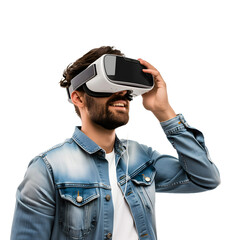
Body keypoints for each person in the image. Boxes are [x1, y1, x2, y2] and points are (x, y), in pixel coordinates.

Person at [10, 46, 220, 240]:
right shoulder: (47, 169)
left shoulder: (142, 158)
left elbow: (206, 178)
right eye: (110, 86)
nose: (123, 94)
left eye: (126, 89)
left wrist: (163, 110)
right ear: (78, 98)